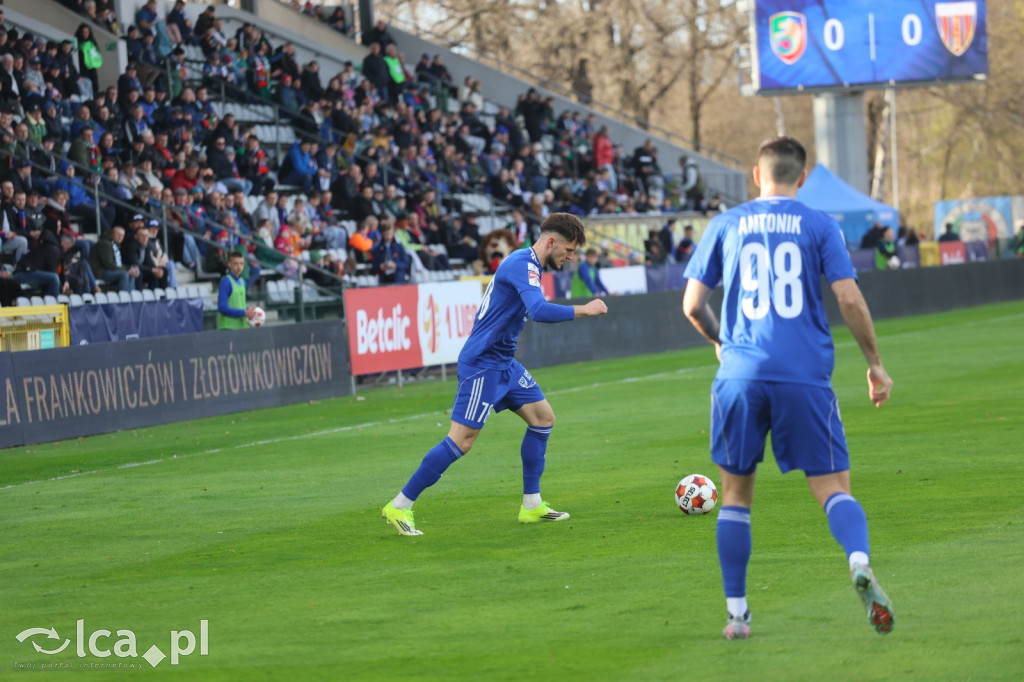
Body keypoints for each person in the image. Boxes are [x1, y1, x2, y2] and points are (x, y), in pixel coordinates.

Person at [681, 136, 895, 640]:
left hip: (738, 375)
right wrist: (875, 363)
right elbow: (849, 298)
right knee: (832, 489)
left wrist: (720, 341)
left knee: (734, 497)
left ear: (756, 176)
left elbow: (692, 304)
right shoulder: (820, 225)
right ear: (802, 178)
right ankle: (859, 562)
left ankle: (738, 614)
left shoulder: (726, 224)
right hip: (803, 376)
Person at [381, 213, 609, 536]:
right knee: (462, 441)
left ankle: (532, 505)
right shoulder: (522, 264)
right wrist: (584, 309)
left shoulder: (532, 265)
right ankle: (400, 505)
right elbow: (539, 311)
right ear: (551, 241)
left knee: (543, 419)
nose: (571, 257)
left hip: (504, 363)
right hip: (483, 364)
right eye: (569, 250)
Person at [217, 251, 258, 329]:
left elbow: (239, 305)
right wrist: (244, 312)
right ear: (230, 264)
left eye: (241, 264)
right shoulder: (226, 281)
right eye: (236, 264)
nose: (239, 267)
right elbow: (222, 307)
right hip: (228, 328)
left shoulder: (243, 282)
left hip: (242, 327)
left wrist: (249, 312)